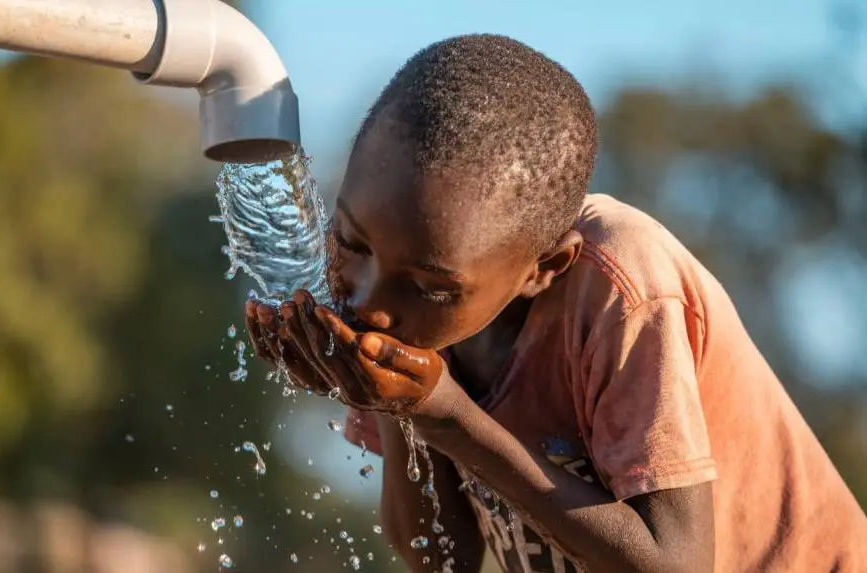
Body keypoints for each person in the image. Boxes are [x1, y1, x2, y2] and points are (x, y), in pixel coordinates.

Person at [244, 34, 866, 573]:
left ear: (543, 269)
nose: (372, 305)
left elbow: (676, 565)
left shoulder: (623, 287)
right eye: (352, 242)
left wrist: (448, 417)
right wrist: (390, 403)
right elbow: (442, 558)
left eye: (431, 287)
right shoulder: (431, 312)